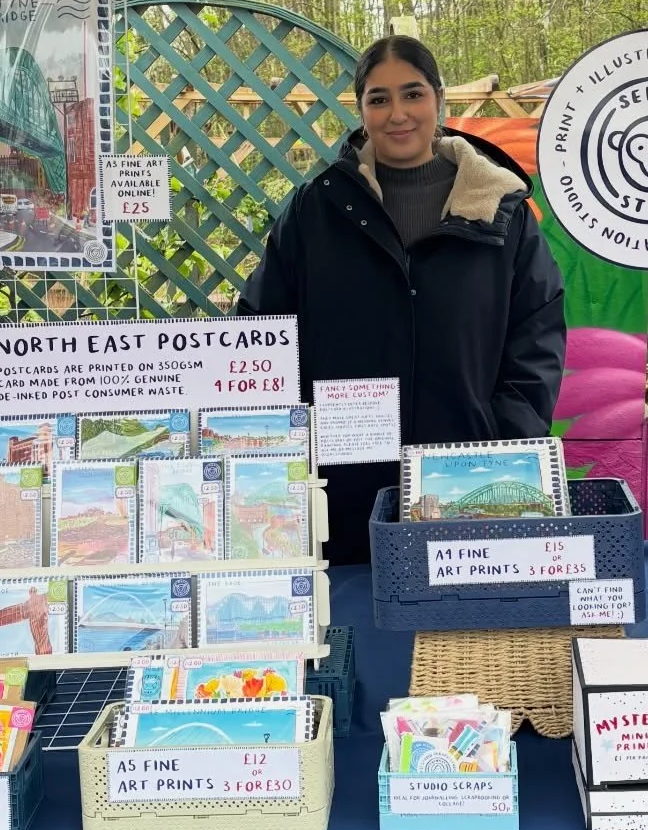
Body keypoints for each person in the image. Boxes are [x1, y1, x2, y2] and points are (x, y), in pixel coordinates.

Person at [239, 35, 566, 563]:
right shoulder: (314, 211)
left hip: (468, 481)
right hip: (343, 492)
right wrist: (295, 445)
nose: (398, 114)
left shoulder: (502, 215)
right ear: (361, 109)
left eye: (413, 94)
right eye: (379, 98)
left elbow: (537, 335)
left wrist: (506, 438)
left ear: (440, 100)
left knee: (463, 639)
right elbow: (262, 331)